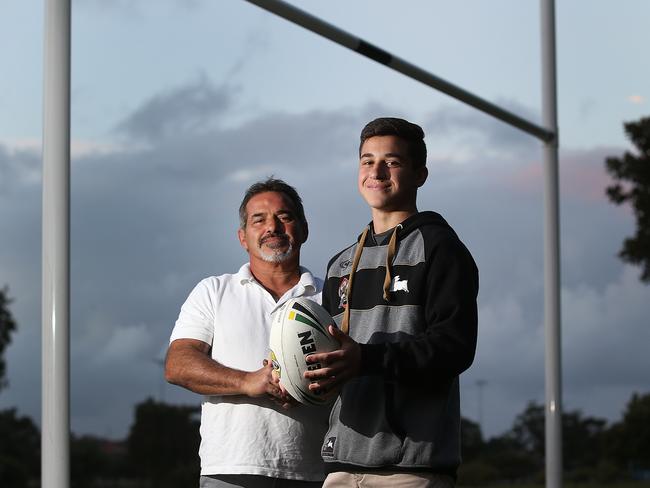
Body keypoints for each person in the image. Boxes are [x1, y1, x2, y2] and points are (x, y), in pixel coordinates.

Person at [304, 118, 479, 487]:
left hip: (411, 469)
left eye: (392, 162)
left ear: (420, 174)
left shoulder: (441, 249)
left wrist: (366, 359)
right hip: (341, 465)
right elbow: (334, 355)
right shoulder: (340, 264)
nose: (376, 171)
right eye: (367, 161)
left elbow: (455, 348)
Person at [165, 178, 328, 488]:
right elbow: (177, 364)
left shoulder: (331, 296)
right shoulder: (213, 291)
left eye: (284, 216)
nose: (273, 227)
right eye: (259, 219)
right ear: (243, 237)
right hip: (231, 470)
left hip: (316, 473)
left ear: (304, 229)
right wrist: (248, 381)